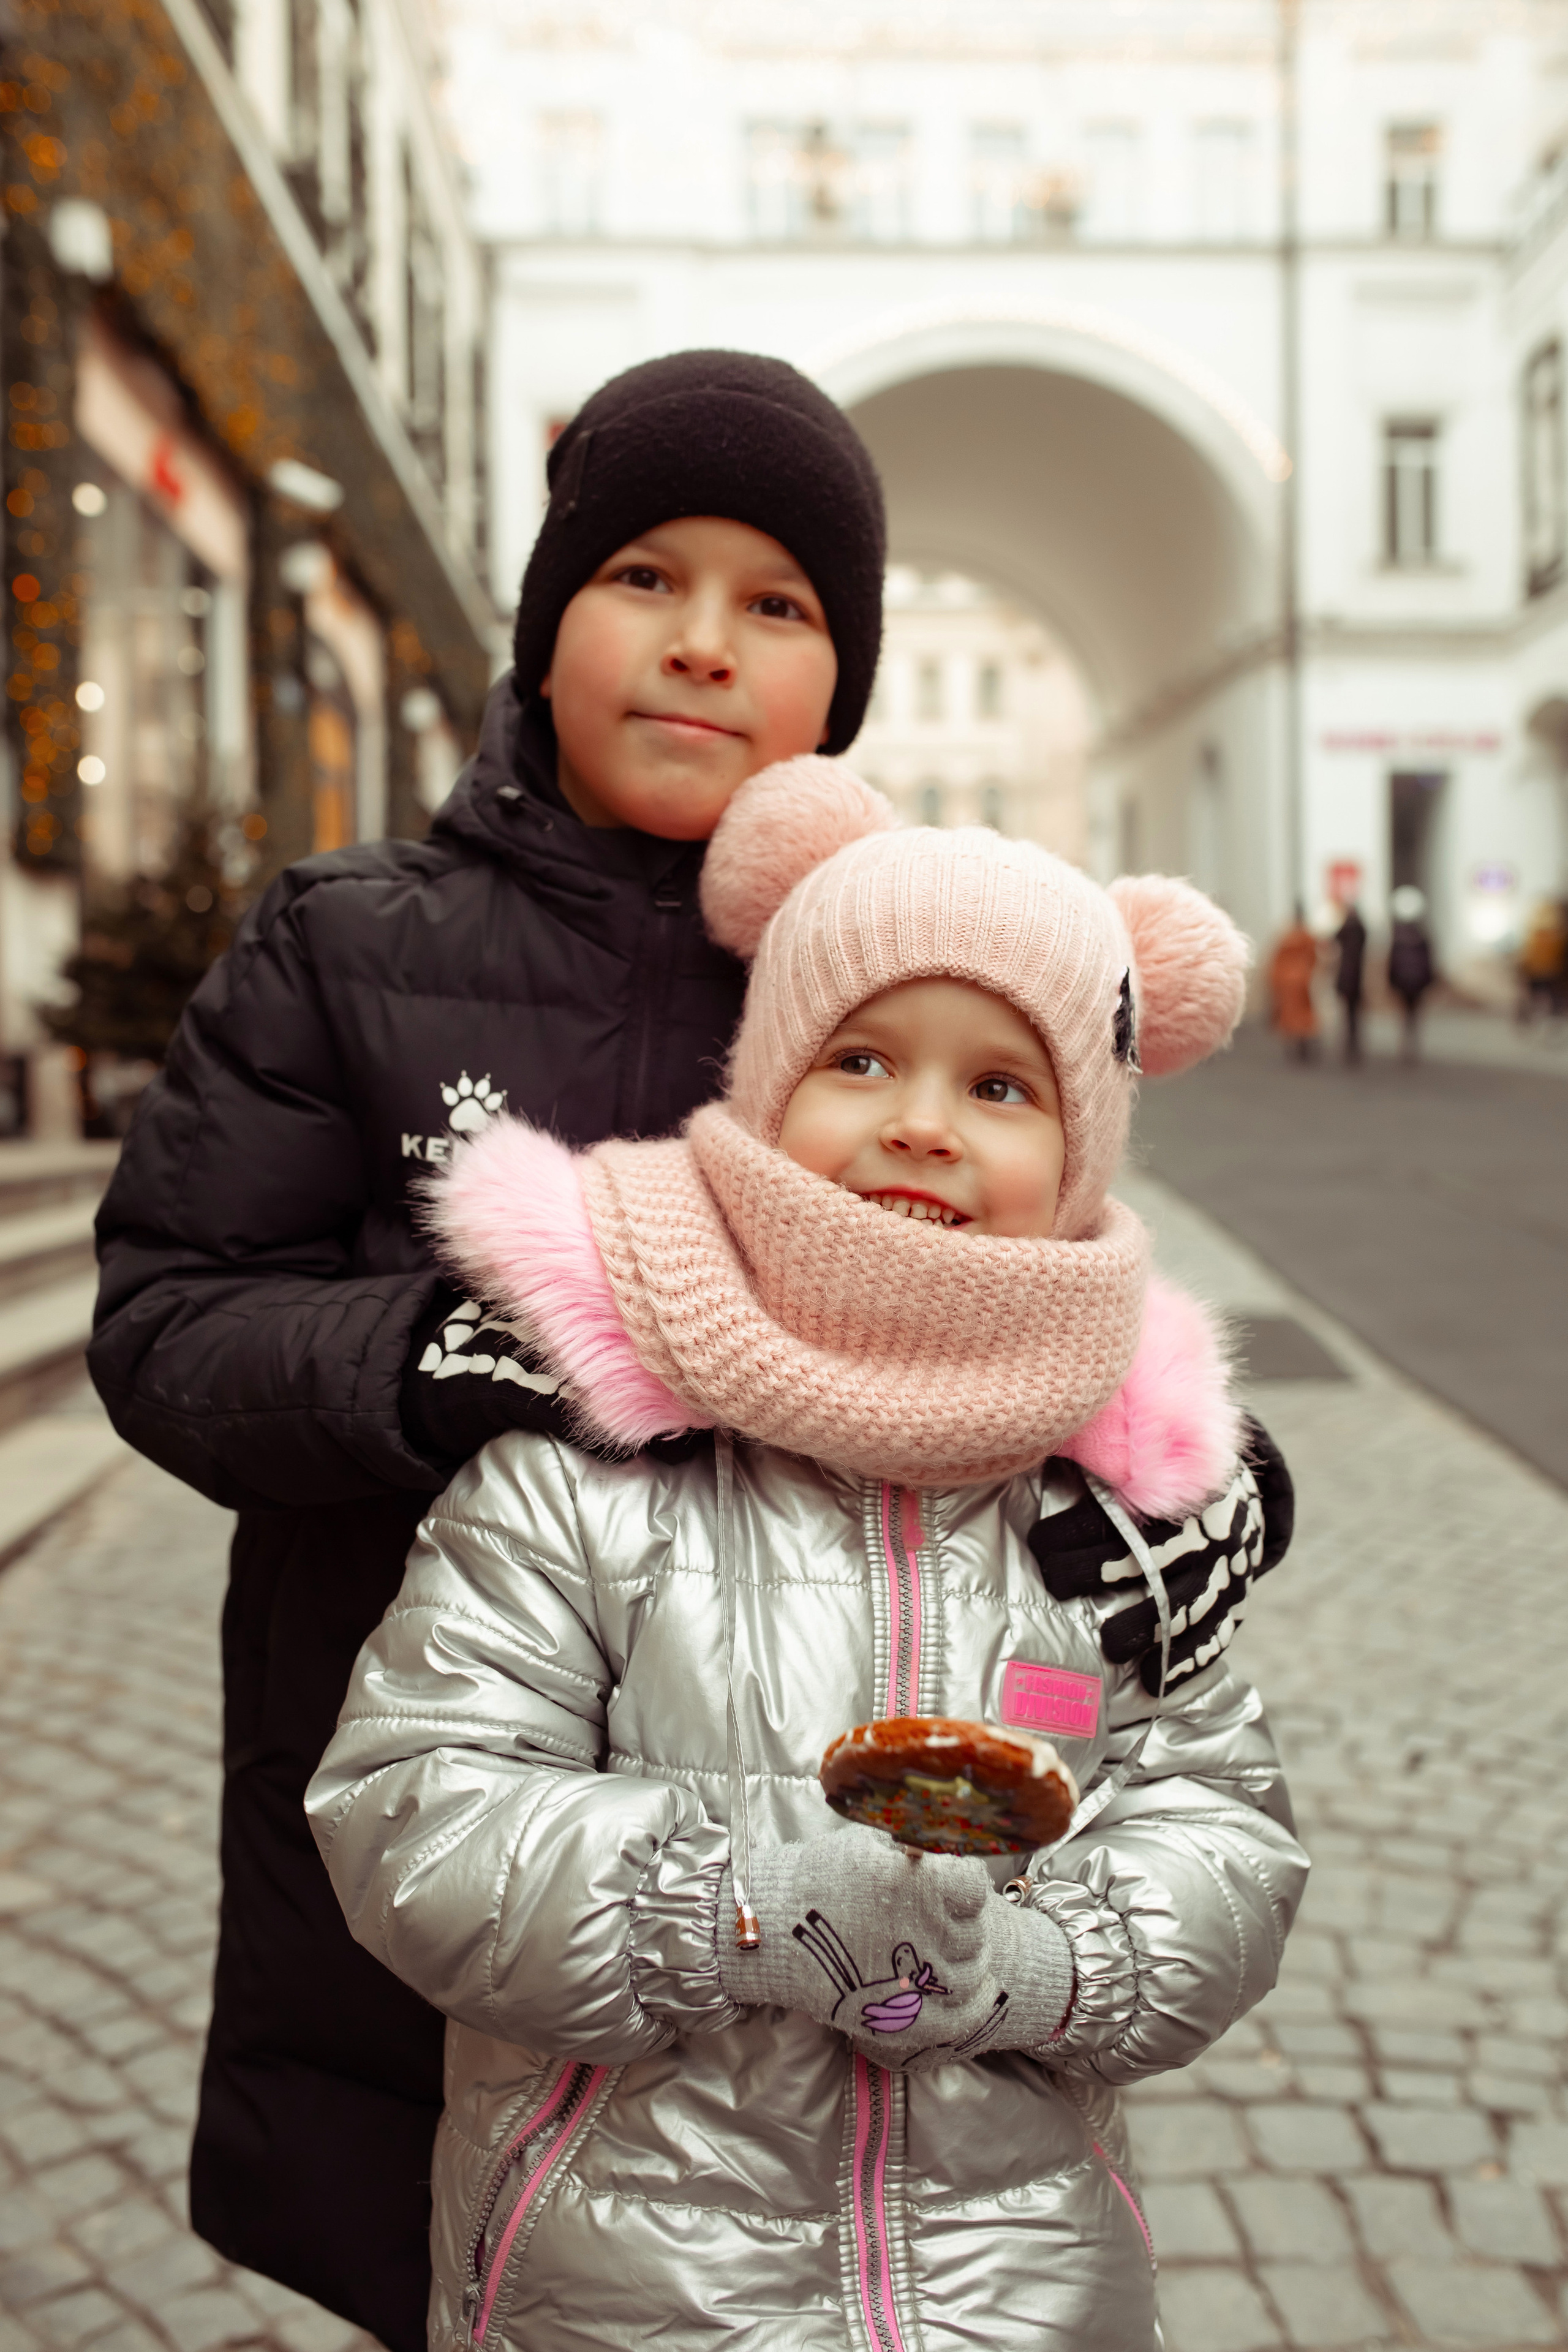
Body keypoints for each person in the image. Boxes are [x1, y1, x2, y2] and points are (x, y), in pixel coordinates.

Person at [85, 351, 888, 2351]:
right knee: (444, 2259)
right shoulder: (344, 948)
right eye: (643, 575)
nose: (703, 646)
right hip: (421, 1815)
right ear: (544, 631)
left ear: (840, 683)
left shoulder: (885, 981)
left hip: (782, 1840)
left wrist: (1191, 1485)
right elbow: (172, 1320)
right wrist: (441, 1356)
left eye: (778, 606)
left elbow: (1036, 1279)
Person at [307, 763, 1308, 2352]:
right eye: (862, 1057)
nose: (921, 1122)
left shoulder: (1116, 1515)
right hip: (627, 2282)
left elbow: (1225, 1833)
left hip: (1020, 2284)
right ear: (772, 1084)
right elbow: (414, 1813)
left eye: (1001, 1087)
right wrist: (744, 1903)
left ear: (1082, 1154)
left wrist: (1050, 1970)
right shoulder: (594, 1455)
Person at [1387, 884, 1436, 1061]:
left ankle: (1408, 1046)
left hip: (1405, 982)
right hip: (1416, 982)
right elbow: (1429, 963)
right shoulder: (1422, 938)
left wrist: (1392, 981)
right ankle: (1412, 1045)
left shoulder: (1400, 939)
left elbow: (1393, 962)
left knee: (1406, 1015)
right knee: (1413, 1015)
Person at [1269, 903, 1319, 1063]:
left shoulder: (1287, 936)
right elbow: (1313, 958)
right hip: (1301, 980)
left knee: (1290, 1015)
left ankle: (1294, 1047)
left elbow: (1277, 961)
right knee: (1301, 1016)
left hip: (1287, 981)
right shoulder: (1306, 936)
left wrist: (1275, 981)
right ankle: (1301, 1047)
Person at [1334, 898, 1367, 1063]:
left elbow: (1334, 937)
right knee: (1354, 1015)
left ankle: (1350, 1042)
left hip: (1348, 979)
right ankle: (1353, 1042)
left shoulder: (1348, 929)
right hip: (1356, 979)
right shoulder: (1361, 929)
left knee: (1349, 1014)